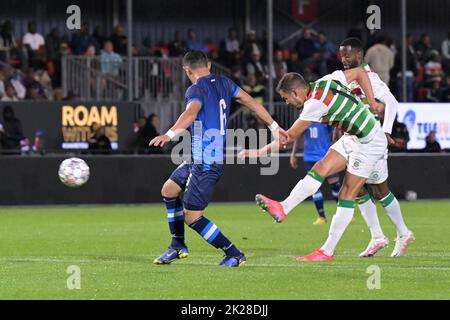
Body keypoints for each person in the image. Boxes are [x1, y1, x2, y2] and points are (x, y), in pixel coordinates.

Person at [149, 50, 287, 267]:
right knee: (169, 190)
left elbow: (191, 113)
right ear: (209, 65)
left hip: (206, 161)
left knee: (192, 217)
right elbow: (252, 102)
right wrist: (275, 127)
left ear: (187, 70)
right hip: (200, 157)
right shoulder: (224, 82)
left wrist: (169, 134)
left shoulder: (195, 89)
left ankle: (233, 253)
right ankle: (177, 245)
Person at [240, 67, 392, 262]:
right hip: (353, 136)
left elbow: (289, 137)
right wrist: (371, 102)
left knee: (347, 193)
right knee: (320, 169)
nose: (288, 103)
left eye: (287, 99)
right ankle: (283, 208)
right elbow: (360, 73)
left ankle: (327, 251)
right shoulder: (326, 80)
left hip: (369, 142)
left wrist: (259, 152)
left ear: (295, 92)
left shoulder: (314, 104)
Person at [337, 38, 413, 257]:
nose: (344, 59)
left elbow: (392, 102)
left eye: (348, 55)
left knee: (379, 191)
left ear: (359, 56)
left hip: (371, 141)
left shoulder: (368, 77)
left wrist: (387, 130)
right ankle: (378, 236)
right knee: (357, 187)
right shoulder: (348, 78)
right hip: (355, 140)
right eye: (341, 55)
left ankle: (401, 232)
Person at [290, 123, 341, 225]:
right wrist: (293, 153)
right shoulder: (305, 119)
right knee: (313, 188)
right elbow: (297, 135)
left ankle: (343, 213)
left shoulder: (325, 119)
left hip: (326, 157)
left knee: (335, 186)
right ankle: (322, 217)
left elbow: (336, 133)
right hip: (310, 158)